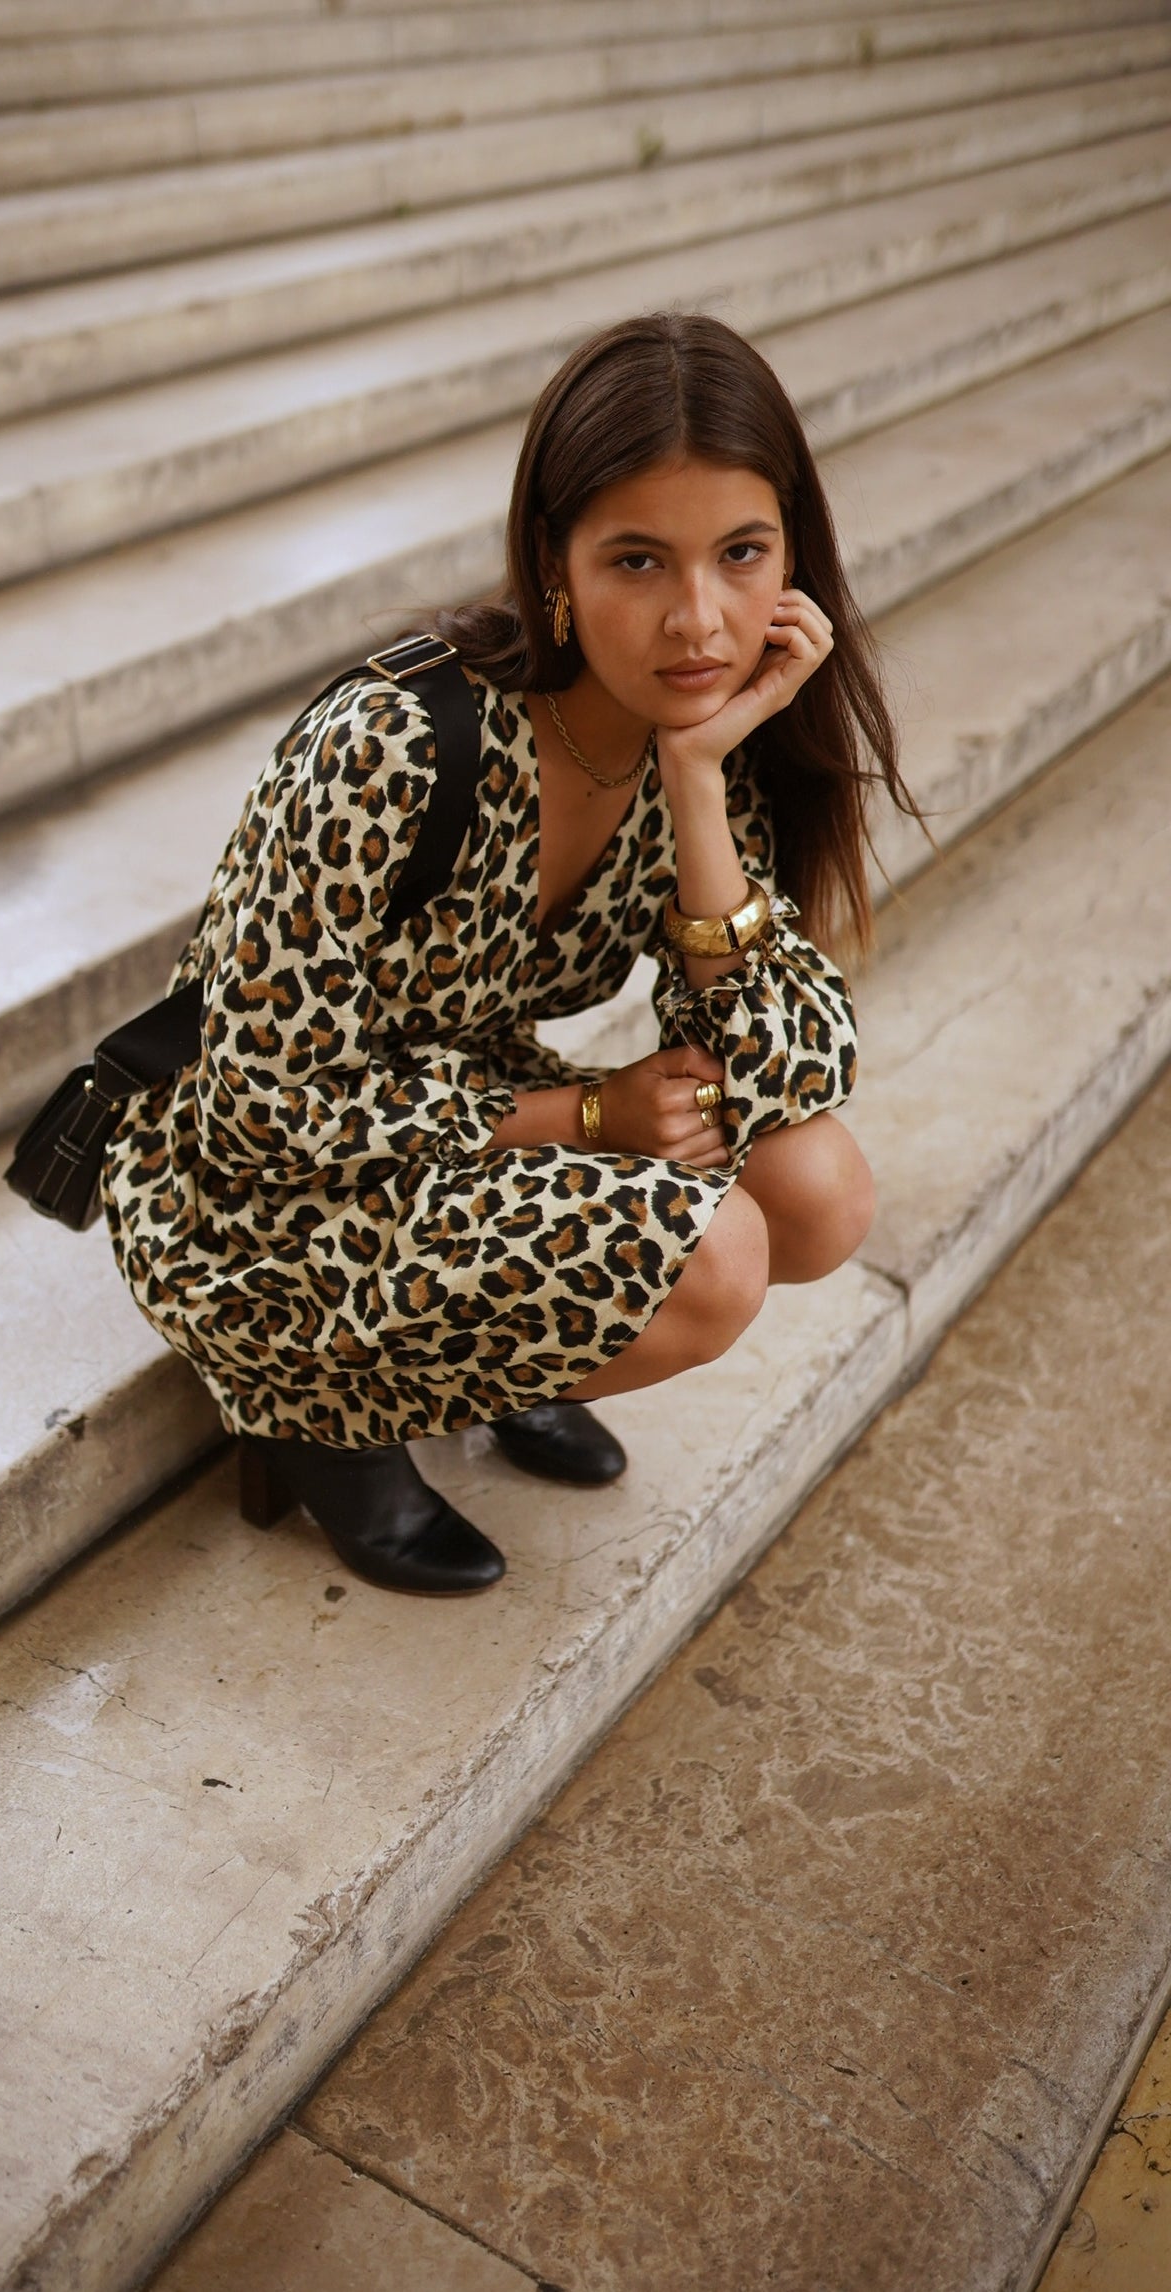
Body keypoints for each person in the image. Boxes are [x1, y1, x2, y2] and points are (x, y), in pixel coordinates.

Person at [102, 312, 915, 1596]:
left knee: (819, 1191)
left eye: (742, 555)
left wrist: (698, 783)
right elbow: (258, 1110)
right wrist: (587, 1115)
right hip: (248, 1190)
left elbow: (785, 1065)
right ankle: (320, 1416)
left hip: (451, 1121)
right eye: (638, 560)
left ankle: (491, 1347)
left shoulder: (701, 733)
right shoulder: (394, 746)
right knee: (714, 1260)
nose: (700, 620)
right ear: (553, 563)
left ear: (791, 557)